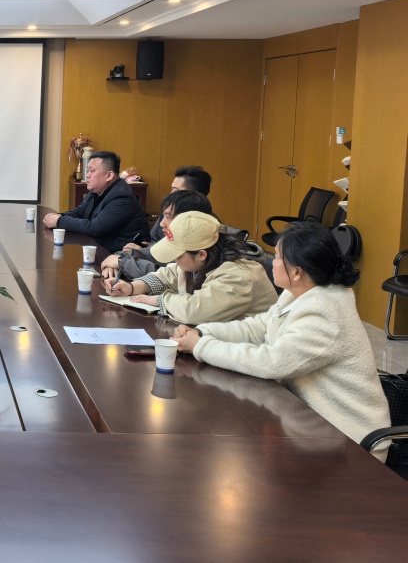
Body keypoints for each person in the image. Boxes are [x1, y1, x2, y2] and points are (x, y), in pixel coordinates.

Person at [171, 222, 391, 459]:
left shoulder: (324, 312)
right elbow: (259, 327)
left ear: (296, 272)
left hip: (349, 442)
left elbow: (272, 362)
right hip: (310, 425)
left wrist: (201, 347)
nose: (271, 262)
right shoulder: (300, 291)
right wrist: (202, 333)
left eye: (276, 257)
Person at [105, 211, 278, 324]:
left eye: (178, 255)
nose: (175, 260)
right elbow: (168, 275)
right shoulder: (204, 260)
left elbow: (194, 311)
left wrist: (159, 300)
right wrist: (131, 287)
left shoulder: (239, 276)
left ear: (201, 254)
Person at [42, 150, 149, 253]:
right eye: (87, 171)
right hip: (98, 249)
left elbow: (96, 228)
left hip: (120, 255)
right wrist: (59, 216)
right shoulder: (98, 190)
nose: (87, 175)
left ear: (109, 175)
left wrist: (59, 221)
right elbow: (80, 212)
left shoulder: (121, 197)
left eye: (92, 171)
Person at [101, 190, 213, 281]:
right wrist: (116, 260)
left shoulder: (201, 249)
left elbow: (167, 276)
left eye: (169, 217)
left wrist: (122, 263)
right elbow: (148, 253)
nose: (161, 224)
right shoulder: (174, 240)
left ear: (189, 220)